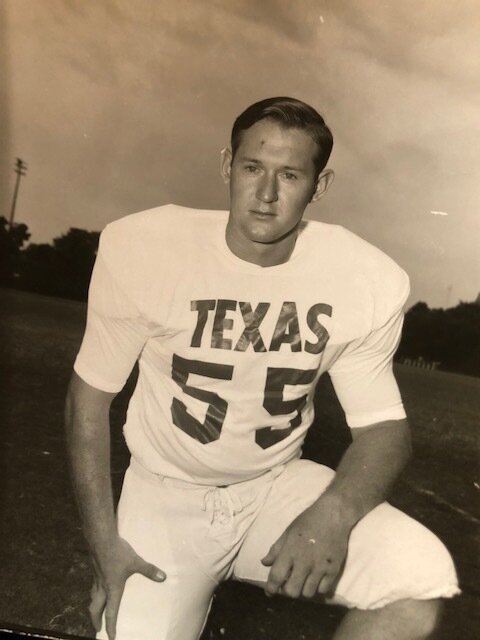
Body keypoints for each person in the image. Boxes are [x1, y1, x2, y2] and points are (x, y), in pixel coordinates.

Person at [65, 97, 459, 640]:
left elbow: (385, 430)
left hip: (274, 486)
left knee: (419, 579)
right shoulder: (148, 248)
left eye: (290, 175)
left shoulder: (361, 276)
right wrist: (103, 543)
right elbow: (87, 399)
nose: (267, 194)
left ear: (318, 187)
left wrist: (334, 515)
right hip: (166, 494)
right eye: (253, 168)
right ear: (228, 165)